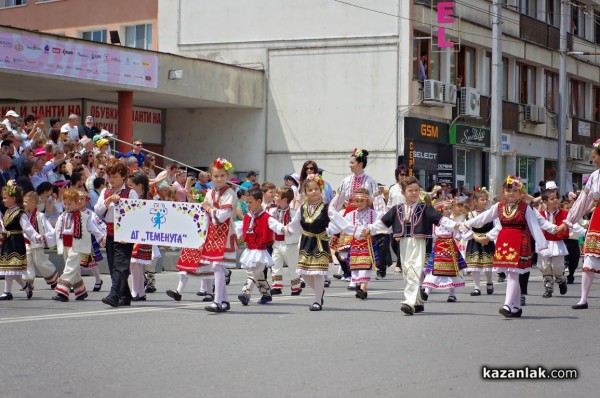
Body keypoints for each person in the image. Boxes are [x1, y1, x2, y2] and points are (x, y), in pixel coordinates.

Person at [465, 176, 560, 318]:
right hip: (505, 242)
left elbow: (534, 226)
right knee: (510, 273)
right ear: (503, 191)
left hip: (520, 242)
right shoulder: (499, 206)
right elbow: (484, 217)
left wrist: (543, 246)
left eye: (515, 190)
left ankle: (507, 304)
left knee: (513, 274)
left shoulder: (525, 207)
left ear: (520, 193)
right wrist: (468, 223)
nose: (511, 193)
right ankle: (516, 307)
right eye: (508, 190)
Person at [365, 176, 459, 315]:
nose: (414, 193)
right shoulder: (397, 209)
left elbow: (440, 220)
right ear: (403, 193)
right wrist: (369, 229)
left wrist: (454, 225)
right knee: (407, 271)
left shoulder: (425, 208)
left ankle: (409, 302)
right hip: (403, 242)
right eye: (410, 190)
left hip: (419, 241)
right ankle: (418, 302)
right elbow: (383, 223)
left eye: (416, 190)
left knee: (415, 269)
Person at [284, 175, 357, 311]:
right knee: (304, 274)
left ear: (320, 189)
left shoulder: (327, 208)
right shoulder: (302, 208)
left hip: (320, 242)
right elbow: (295, 225)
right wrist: (284, 229)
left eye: (316, 189)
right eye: (310, 189)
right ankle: (320, 291)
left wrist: (356, 231)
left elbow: (342, 223)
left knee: (317, 273)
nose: (313, 192)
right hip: (306, 242)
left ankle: (317, 300)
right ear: (305, 192)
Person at [95, 161, 139, 307]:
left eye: (114, 176)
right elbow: (98, 210)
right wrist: (108, 201)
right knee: (114, 265)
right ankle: (125, 296)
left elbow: (135, 213)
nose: (111, 179)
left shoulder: (130, 192)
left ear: (123, 177)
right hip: (110, 231)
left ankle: (114, 295)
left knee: (121, 265)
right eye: (110, 176)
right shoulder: (105, 191)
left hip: (125, 233)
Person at [236, 187, 288, 306]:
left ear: (259, 201)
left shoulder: (266, 216)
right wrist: (235, 237)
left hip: (260, 251)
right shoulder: (248, 217)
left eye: (250, 202)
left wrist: (284, 229)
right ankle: (266, 294)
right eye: (247, 202)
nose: (248, 205)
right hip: (250, 250)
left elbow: (276, 225)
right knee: (258, 274)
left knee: (253, 272)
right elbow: (239, 228)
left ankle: (245, 293)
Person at [52, 189, 106, 302]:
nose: (66, 206)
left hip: (77, 245)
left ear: (77, 203)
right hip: (65, 244)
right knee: (74, 269)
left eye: (69, 204)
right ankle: (80, 292)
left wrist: (102, 237)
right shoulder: (62, 216)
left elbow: (94, 229)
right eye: (65, 203)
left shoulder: (84, 217)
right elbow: (56, 230)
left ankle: (62, 292)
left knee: (69, 267)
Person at [565, 139, 600, 309]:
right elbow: (583, 200)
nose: (593, 160)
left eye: (594, 156)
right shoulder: (594, 176)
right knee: (589, 259)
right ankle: (583, 299)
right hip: (598, 217)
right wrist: (570, 220)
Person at [0, 183, 42, 300]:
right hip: (8, 241)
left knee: (11, 269)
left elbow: (27, 227)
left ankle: (7, 292)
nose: (3, 200)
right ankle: (25, 286)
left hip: (16, 242)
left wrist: (35, 236)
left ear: (13, 198)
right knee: (12, 270)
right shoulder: (7, 212)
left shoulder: (20, 213)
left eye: (5, 198)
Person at [422, 200, 466, 302]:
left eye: (450, 208)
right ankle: (426, 292)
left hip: (451, 247)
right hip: (439, 247)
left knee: (452, 271)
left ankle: (452, 294)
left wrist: (457, 239)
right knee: (434, 270)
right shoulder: (435, 224)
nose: (449, 210)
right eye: (446, 209)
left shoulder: (454, 222)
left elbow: (459, 235)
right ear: (440, 210)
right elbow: (432, 236)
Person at [343, 188, 380, 300]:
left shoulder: (374, 214)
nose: (359, 203)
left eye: (362, 201)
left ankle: (363, 288)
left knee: (365, 265)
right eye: (357, 201)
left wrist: (370, 230)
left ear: (367, 201)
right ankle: (360, 287)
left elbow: (380, 225)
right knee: (356, 266)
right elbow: (345, 227)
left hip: (368, 243)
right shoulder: (351, 215)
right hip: (355, 243)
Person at [127, 172, 158, 301]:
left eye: (131, 185)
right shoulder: (135, 197)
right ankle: (139, 291)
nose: (129, 188)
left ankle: (136, 291)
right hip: (135, 233)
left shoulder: (148, 198)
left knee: (135, 262)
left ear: (139, 185)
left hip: (144, 234)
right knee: (136, 263)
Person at [463, 188, 499, 296]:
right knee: (475, 265)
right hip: (474, 240)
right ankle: (477, 287)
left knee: (487, 264)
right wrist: (474, 235)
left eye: (486, 199)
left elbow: (497, 225)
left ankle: (489, 282)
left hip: (487, 239)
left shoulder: (490, 213)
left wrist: (488, 236)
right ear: (475, 201)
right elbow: (465, 228)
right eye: (482, 199)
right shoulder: (469, 215)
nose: (485, 201)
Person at [22, 192, 59, 291]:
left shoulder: (40, 216)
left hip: (37, 243)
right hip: (26, 242)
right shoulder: (23, 215)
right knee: (27, 263)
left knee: (41, 262)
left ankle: (54, 279)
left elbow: (49, 229)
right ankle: (28, 282)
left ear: (33, 203)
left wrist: (45, 238)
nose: (23, 204)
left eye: (25, 202)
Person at [269, 187, 302, 295]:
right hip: (277, 242)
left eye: (277, 196)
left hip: (290, 243)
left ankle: (296, 286)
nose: (275, 197)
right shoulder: (272, 211)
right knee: (275, 263)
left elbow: (298, 227)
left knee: (292, 265)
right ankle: (276, 285)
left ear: (284, 200)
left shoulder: (294, 213)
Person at [388, 165, 408, 274]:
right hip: (393, 217)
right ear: (397, 175)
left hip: (405, 217)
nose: (403, 176)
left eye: (405, 174)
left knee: (401, 241)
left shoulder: (409, 188)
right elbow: (389, 203)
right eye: (401, 174)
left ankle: (399, 264)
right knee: (393, 242)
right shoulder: (393, 188)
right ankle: (402, 260)